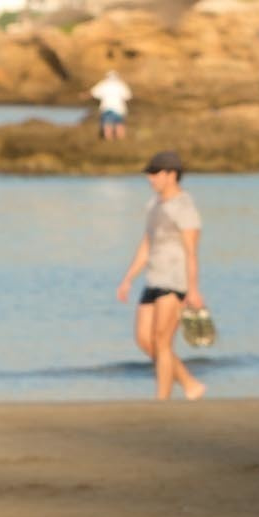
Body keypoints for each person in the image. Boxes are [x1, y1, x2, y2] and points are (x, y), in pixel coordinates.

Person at [117, 150, 207, 402]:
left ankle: (162, 400)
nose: (150, 179)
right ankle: (190, 384)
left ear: (171, 175)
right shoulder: (154, 204)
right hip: (153, 279)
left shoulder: (184, 206)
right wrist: (128, 278)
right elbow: (147, 244)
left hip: (174, 281)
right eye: (150, 174)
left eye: (155, 173)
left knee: (163, 342)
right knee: (145, 340)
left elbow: (191, 251)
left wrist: (193, 290)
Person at [90, 69, 132, 142]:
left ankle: (108, 141)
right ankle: (121, 141)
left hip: (107, 108)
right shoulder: (121, 85)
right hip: (119, 109)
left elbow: (94, 93)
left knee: (107, 125)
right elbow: (128, 96)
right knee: (119, 124)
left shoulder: (103, 84)